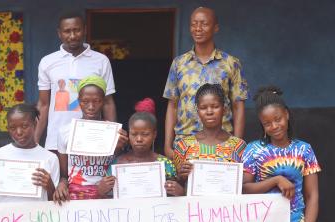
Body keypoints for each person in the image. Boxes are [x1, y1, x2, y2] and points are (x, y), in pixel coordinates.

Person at [242, 86, 320, 222]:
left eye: (277, 119)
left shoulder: (304, 150)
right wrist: (275, 180)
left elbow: (312, 196)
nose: (274, 126)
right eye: (267, 123)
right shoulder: (253, 150)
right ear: (262, 125)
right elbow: (244, 189)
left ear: (286, 114)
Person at [163, 6, 248, 159]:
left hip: (222, 144)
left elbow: (238, 106)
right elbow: (172, 105)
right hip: (184, 143)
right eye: (194, 24)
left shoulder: (230, 63)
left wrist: (237, 144)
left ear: (215, 28)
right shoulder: (179, 63)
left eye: (204, 24)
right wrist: (167, 146)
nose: (198, 28)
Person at [35, 11, 117, 151]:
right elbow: (43, 104)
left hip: (92, 138)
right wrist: (34, 141)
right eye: (67, 31)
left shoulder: (101, 61)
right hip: (56, 139)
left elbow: (108, 102)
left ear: (84, 30)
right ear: (59, 33)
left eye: (76, 30)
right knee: (60, 174)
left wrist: (113, 138)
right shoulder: (47, 62)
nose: (72, 36)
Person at [54, 75, 128, 202]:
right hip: (75, 198)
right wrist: (61, 184)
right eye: (85, 101)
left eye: (97, 101)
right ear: (78, 101)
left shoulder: (114, 132)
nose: (91, 107)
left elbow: (120, 169)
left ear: (104, 101)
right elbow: (64, 175)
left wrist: (120, 147)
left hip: (107, 194)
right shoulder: (65, 131)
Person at [98, 98, 185, 197]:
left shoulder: (165, 164)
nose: (139, 139)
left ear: (154, 134)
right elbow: (109, 198)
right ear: (128, 134)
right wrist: (101, 190)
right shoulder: (117, 163)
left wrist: (180, 193)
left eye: (145, 134)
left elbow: (174, 198)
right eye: (134, 134)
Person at [0, 103, 60, 203]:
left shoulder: (50, 158)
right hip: (4, 217)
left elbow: (54, 204)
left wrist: (50, 186)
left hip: (35, 217)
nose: (19, 132)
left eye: (24, 126)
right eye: (12, 128)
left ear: (35, 124)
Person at [173, 83, 246, 184]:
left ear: (224, 110)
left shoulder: (239, 146)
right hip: (193, 200)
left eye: (215, 106)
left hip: (227, 200)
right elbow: (176, 184)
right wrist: (181, 177)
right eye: (203, 108)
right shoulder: (183, 146)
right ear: (198, 112)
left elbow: (244, 183)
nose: (209, 111)